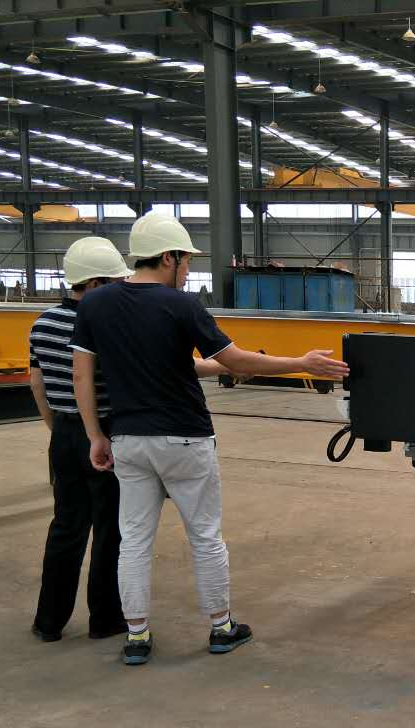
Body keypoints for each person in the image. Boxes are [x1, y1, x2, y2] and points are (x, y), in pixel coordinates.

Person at [70, 210, 348, 666]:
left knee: (133, 540)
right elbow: (236, 361)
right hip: (184, 438)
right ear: (168, 257)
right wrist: (302, 363)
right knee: (204, 535)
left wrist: (94, 436)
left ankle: (136, 636)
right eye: (186, 261)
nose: (188, 270)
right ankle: (221, 627)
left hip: (128, 439)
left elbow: (82, 374)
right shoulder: (181, 306)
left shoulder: (95, 305)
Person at [28, 237, 134, 643]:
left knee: (66, 526)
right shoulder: (104, 325)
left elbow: (37, 384)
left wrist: (58, 430)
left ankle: (49, 621)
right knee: (110, 529)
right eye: (113, 282)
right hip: (103, 433)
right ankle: (105, 619)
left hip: (64, 434)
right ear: (93, 284)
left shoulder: (42, 323)